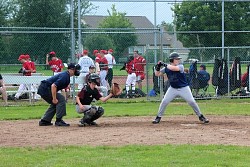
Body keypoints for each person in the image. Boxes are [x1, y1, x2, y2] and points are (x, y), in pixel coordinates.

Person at [152, 52, 209, 124]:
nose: (178, 60)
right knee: (164, 101)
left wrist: (163, 64)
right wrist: (158, 66)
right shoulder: (166, 68)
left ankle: (200, 116)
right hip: (173, 88)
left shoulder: (180, 66)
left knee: (192, 101)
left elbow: (174, 68)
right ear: (172, 60)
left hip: (184, 88)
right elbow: (157, 74)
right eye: (176, 59)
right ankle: (158, 117)